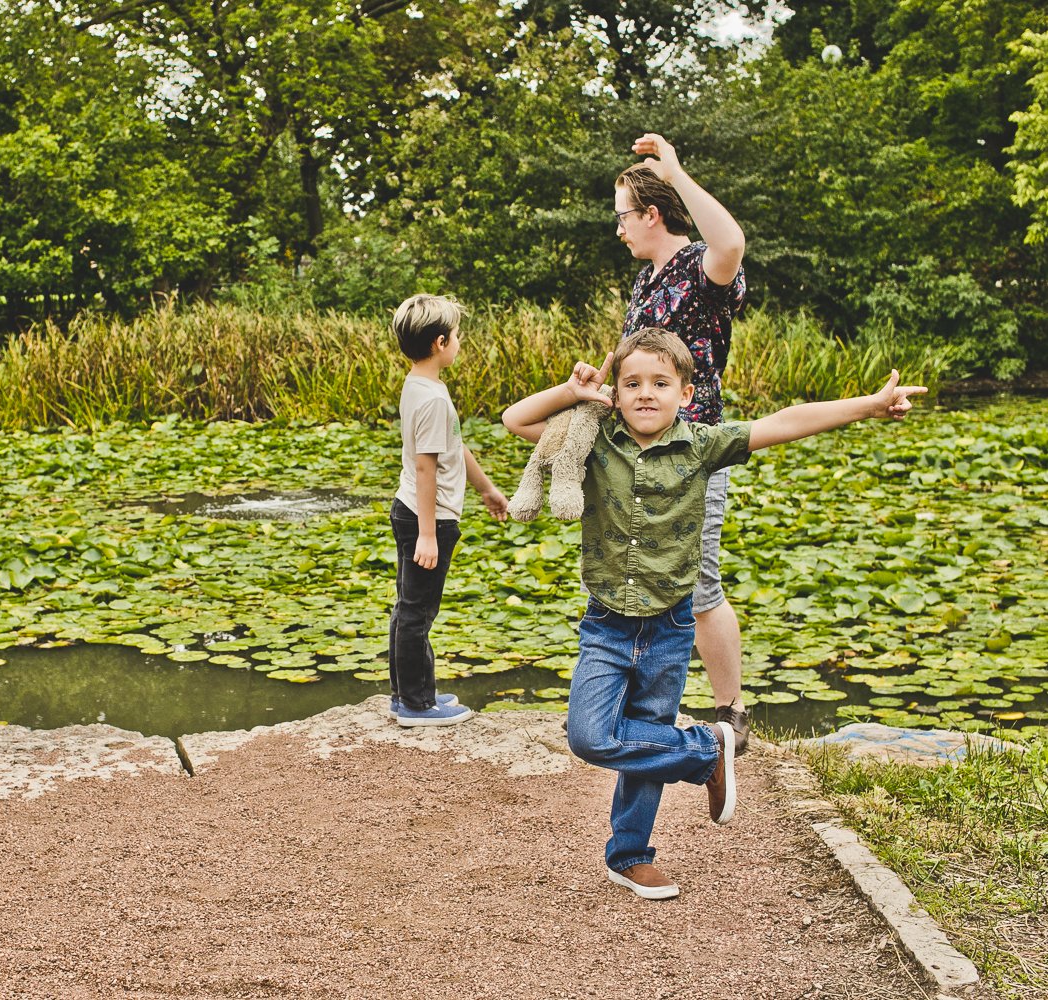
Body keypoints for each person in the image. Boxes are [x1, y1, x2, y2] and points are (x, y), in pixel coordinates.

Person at [503, 328, 924, 899]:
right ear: (616, 394)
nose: (645, 394)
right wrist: (573, 393)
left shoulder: (702, 446)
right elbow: (515, 419)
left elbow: (787, 421)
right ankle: (706, 751)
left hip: (671, 627)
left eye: (660, 383)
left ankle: (629, 855)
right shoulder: (594, 438)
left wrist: (869, 406)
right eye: (631, 384)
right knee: (589, 736)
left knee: (647, 738)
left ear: (686, 392)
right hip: (606, 624)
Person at [615, 132, 753, 752]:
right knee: (640, 576)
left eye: (623, 216)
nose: (618, 229)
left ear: (651, 214)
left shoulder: (700, 268)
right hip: (639, 452)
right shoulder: (644, 284)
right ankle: (646, 702)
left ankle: (732, 714)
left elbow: (732, 243)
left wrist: (675, 175)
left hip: (695, 449)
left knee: (700, 584)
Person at [388, 294, 509, 726]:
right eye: (457, 336)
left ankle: (408, 691)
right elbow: (425, 467)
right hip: (429, 517)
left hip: (413, 510)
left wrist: (487, 489)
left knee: (408, 607)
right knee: (417, 611)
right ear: (440, 342)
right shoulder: (433, 398)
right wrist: (426, 533)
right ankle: (416, 705)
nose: (460, 342)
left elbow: (452, 446)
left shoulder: (420, 385)